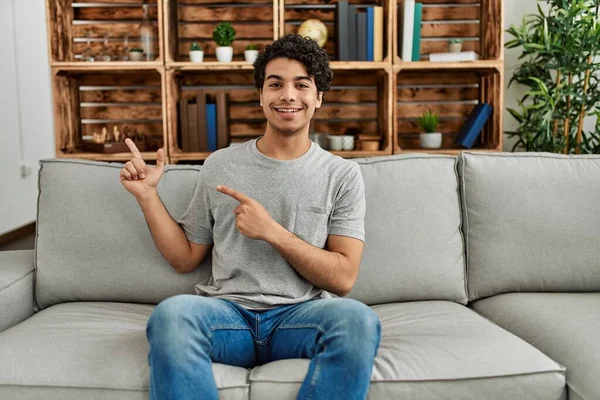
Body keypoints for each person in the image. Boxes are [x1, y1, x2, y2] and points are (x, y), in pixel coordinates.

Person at [119, 34, 381, 400]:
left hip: (300, 318)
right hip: (228, 317)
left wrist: (272, 232)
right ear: (261, 96)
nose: (288, 95)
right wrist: (147, 196)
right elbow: (185, 258)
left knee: (359, 321)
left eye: (301, 85)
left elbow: (343, 278)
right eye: (275, 84)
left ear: (318, 97)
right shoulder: (220, 164)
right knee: (171, 315)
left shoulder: (341, 175)